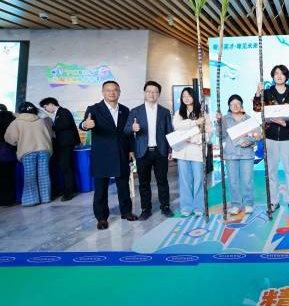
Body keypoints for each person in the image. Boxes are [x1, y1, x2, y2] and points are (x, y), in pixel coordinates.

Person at [80, 81, 138, 229]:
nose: (112, 93)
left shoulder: (125, 110)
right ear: (103, 92)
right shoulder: (94, 109)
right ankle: (101, 218)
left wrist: (131, 150)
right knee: (101, 189)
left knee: (123, 186)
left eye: (115, 90)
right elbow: (84, 124)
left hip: (121, 153)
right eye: (108, 90)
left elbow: (128, 133)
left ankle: (126, 212)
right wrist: (85, 125)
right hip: (102, 155)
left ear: (119, 92)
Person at [253, 65, 289, 212]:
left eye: (282, 73)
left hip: (288, 137)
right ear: (273, 76)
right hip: (270, 136)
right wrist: (258, 92)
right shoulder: (267, 93)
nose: (279, 76)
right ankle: (274, 201)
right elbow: (257, 108)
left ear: (286, 76)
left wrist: (286, 124)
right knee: (272, 171)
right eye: (276, 73)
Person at [125, 81, 174, 220]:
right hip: (142, 152)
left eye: (155, 92)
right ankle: (146, 209)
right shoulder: (135, 111)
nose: (152, 94)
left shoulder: (164, 111)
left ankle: (165, 206)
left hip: (160, 151)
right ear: (144, 93)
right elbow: (126, 130)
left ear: (159, 94)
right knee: (143, 183)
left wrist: (170, 149)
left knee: (162, 181)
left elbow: (169, 131)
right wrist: (132, 128)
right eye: (149, 91)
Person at [4, 102, 53, 207]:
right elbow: (51, 134)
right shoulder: (41, 120)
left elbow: (10, 139)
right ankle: (45, 198)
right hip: (44, 149)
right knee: (44, 174)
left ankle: (31, 200)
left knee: (30, 175)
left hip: (27, 151)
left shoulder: (16, 122)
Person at [172, 87, 211, 217]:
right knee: (184, 180)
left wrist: (194, 139)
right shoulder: (179, 113)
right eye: (184, 96)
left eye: (189, 95)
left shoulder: (202, 113)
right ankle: (186, 207)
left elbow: (209, 132)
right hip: (182, 151)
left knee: (199, 180)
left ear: (194, 96)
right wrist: (194, 123)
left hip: (197, 151)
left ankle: (199, 206)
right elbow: (177, 126)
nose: (186, 98)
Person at [216, 95, 258, 215]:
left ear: (242, 105)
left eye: (238, 104)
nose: (235, 106)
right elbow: (220, 135)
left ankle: (248, 204)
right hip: (231, 154)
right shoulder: (224, 119)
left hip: (246, 154)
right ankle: (236, 205)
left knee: (247, 180)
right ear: (229, 106)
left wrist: (249, 141)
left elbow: (256, 135)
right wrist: (218, 122)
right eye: (232, 104)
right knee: (233, 181)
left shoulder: (248, 118)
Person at [39, 97, 81, 201]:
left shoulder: (63, 112)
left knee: (66, 168)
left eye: (45, 107)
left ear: (51, 104)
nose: (46, 109)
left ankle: (69, 193)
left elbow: (66, 124)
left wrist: (52, 127)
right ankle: (69, 189)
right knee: (65, 168)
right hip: (63, 145)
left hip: (66, 145)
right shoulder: (59, 113)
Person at [0, 104, 17, 206]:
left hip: (2, 151)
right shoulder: (13, 119)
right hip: (11, 151)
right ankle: (10, 199)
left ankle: (3, 200)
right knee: (10, 177)